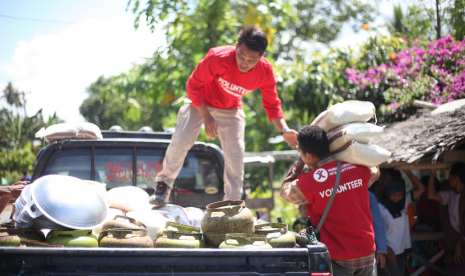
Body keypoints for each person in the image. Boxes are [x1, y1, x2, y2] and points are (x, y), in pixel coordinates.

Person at [150, 26, 298, 206]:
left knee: (236, 154)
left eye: (250, 60)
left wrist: (284, 130)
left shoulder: (265, 72)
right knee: (182, 139)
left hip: (231, 108)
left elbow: (272, 105)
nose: (244, 63)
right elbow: (192, 86)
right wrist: (207, 116)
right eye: (240, 56)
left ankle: (232, 204)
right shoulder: (217, 57)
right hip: (200, 102)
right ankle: (163, 185)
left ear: (261, 57)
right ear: (236, 46)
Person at [280, 125, 379, 276]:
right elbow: (375, 170)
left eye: (301, 153)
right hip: (367, 253)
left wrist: (299, 163)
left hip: (337, 257)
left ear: (309, 156)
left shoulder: (309, 182)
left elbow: (286, 192)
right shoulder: (359, 170)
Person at [378, 171, 425, 276]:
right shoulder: (380, 207)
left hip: (400, 251)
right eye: (393, 194)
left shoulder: (404, 201)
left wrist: (409, 173)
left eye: (400, 195)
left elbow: (421, 189)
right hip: (386, 252)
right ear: (388, 192)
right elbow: (375, 231)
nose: (397, 197)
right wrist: (387, 249)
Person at [427, 163, 465, 275]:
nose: (448, 178)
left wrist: (459, 244)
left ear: (456, 177)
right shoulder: (452, 194)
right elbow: (431, 195)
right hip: (455, 245)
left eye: (450, 175)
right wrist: (432, 174)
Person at [368, 190, 387, 270]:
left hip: (337, 250)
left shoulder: (369, 196)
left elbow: (377, 224)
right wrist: (381, 250)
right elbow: (377, 224)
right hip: (365, 252)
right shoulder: (368, 195)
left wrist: (381, 250)